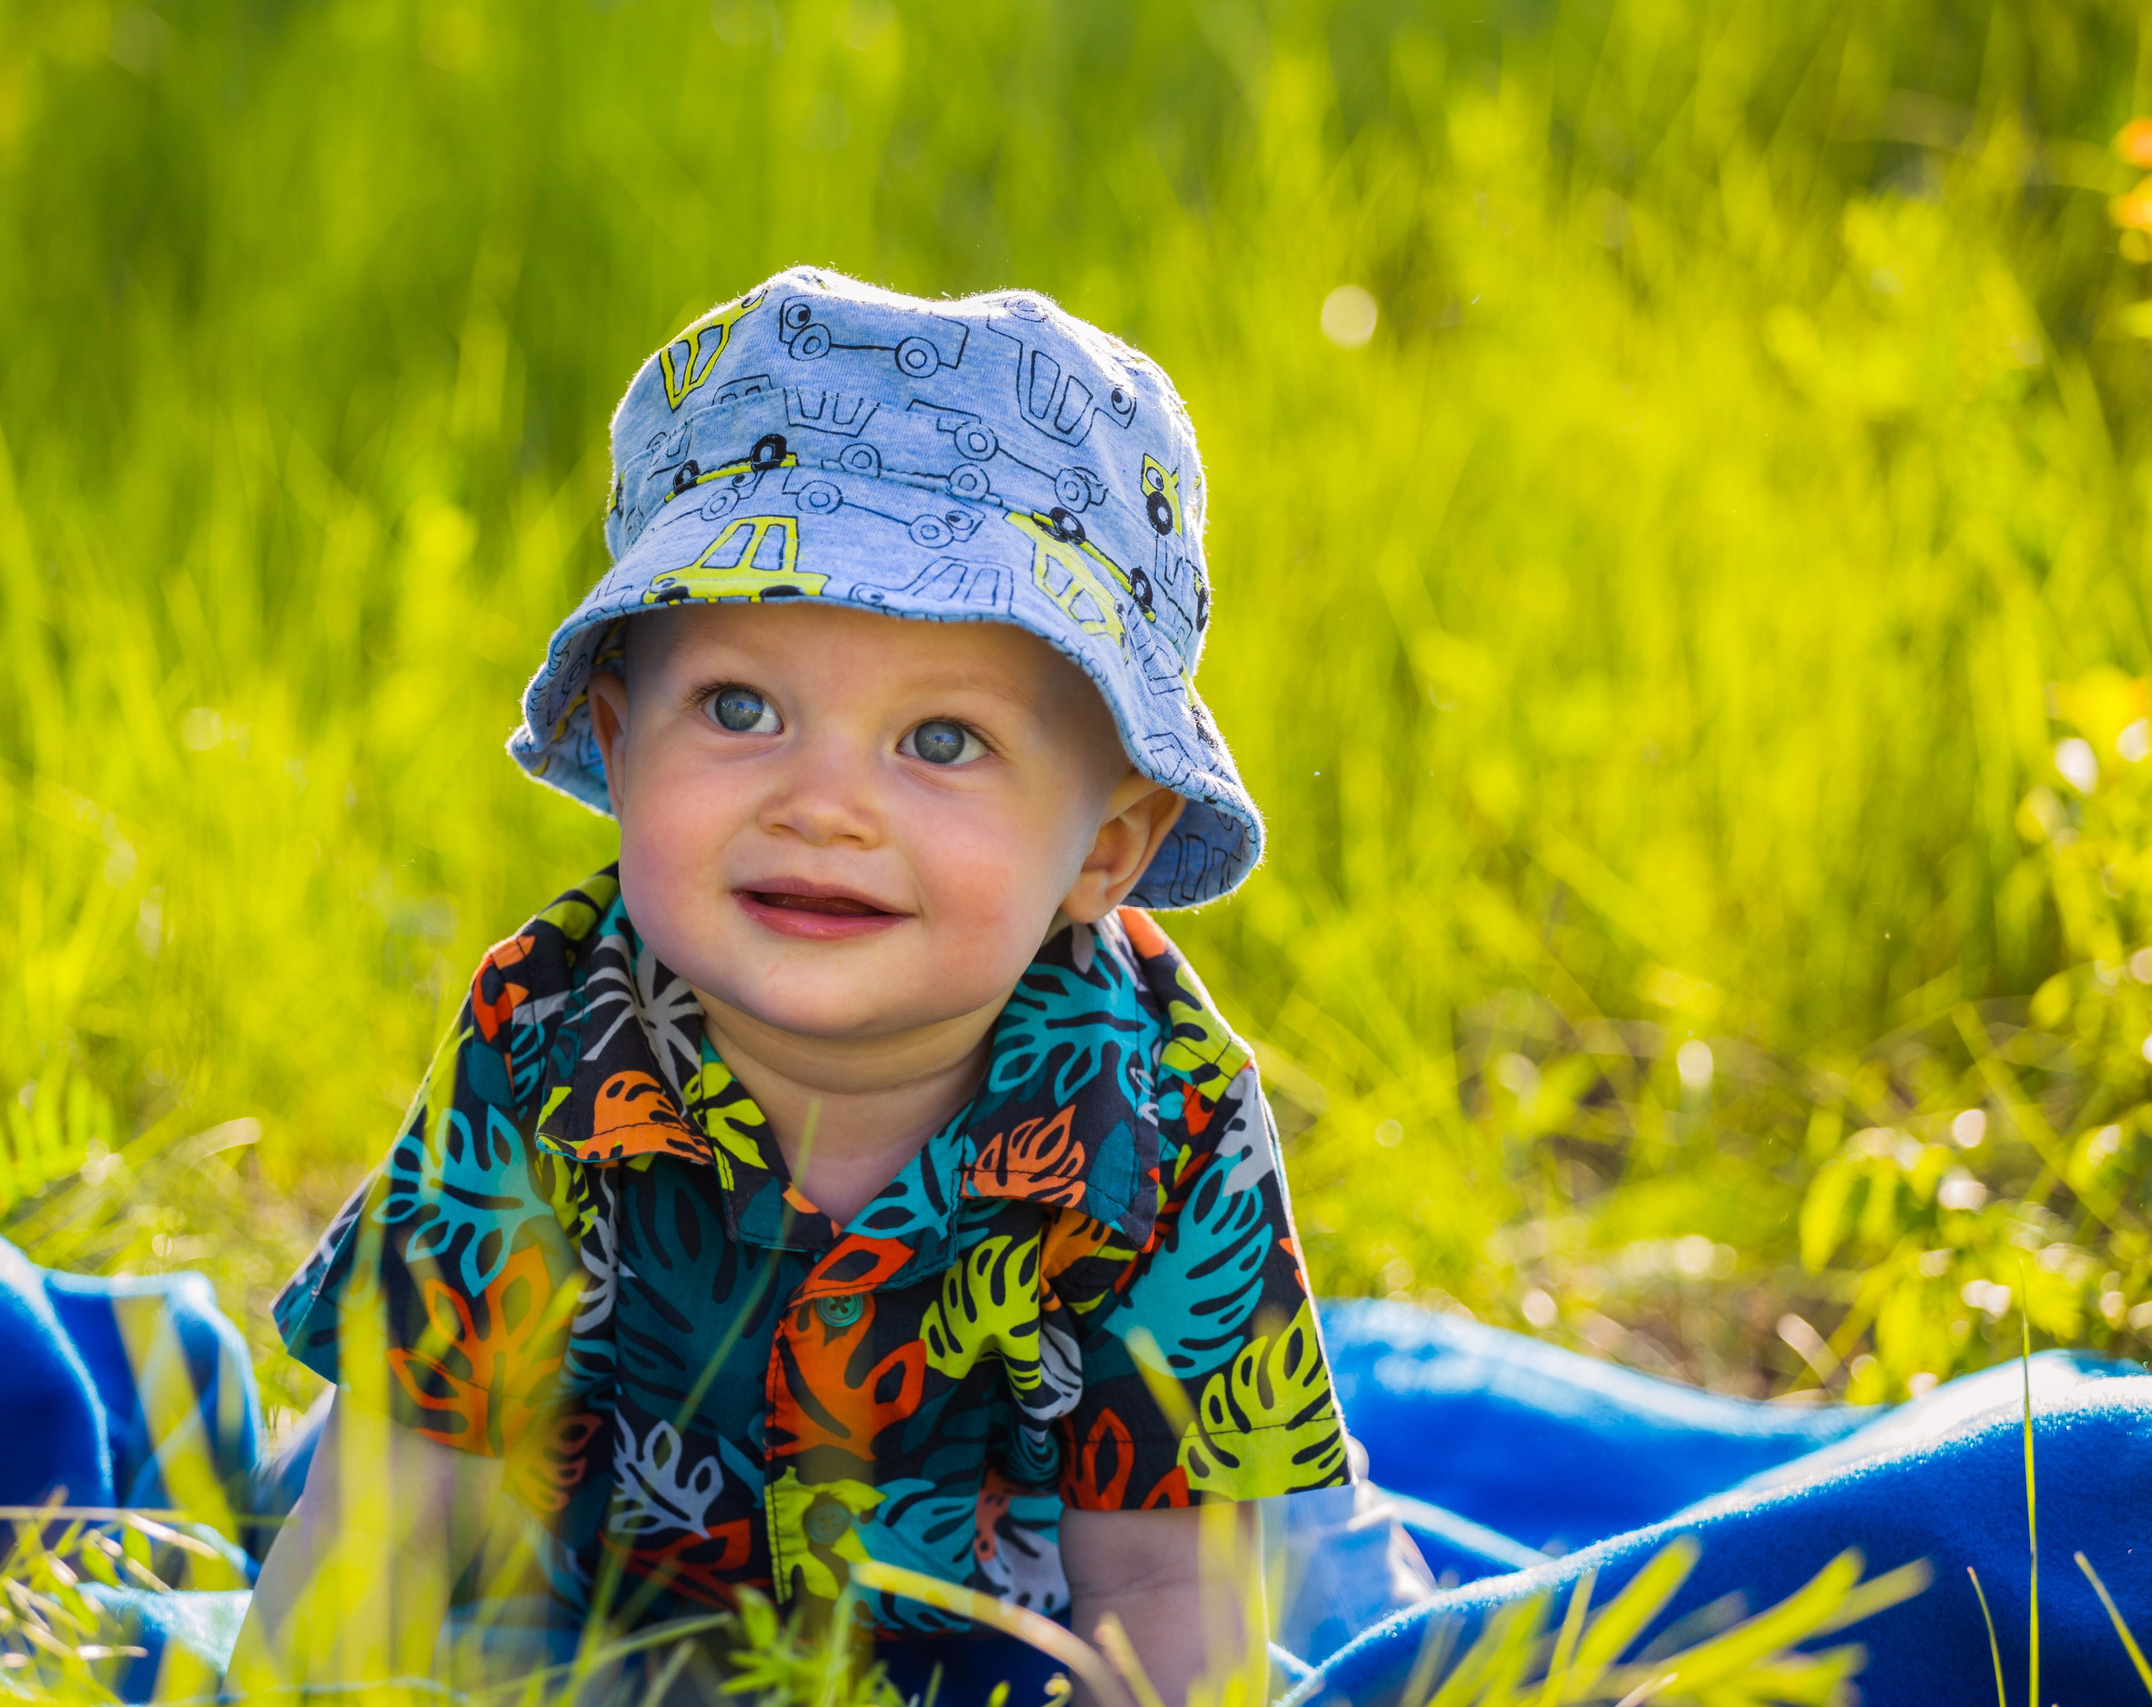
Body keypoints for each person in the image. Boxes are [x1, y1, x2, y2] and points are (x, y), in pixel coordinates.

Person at [232, 266, 1353, 1705]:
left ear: (1107, 849)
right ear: (618, 741)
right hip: (594, 1621)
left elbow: (1160, 1592)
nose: (822, 806)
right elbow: (394, 1512)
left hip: (985, 1652)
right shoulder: (546, 1036)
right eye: (740, 707)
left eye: (941, 741)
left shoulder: (1168, 1117)